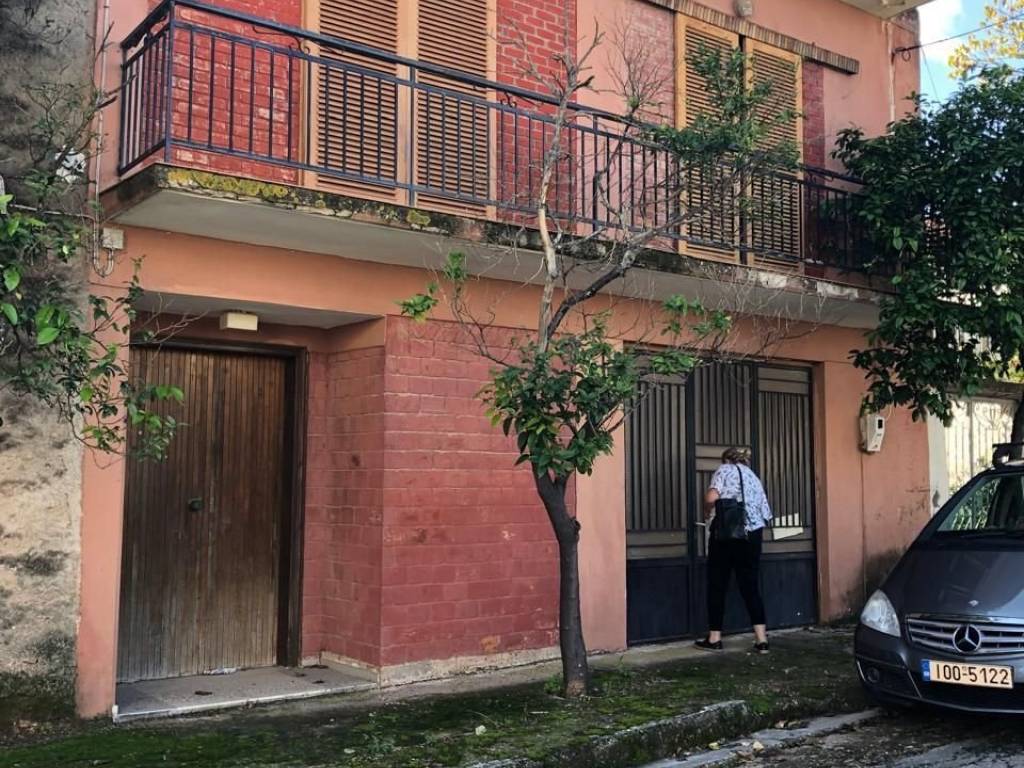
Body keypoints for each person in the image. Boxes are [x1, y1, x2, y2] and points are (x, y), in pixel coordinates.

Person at [694, 447, 772, 654]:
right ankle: (761, 640)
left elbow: (711, 497)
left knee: (717, 584)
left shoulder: (724, 470)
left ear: (726, 459)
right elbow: (765, 512)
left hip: (727, 533)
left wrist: (707, 511)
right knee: (751, 585)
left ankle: (714, 638)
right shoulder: (754, 477)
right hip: (752, 535)